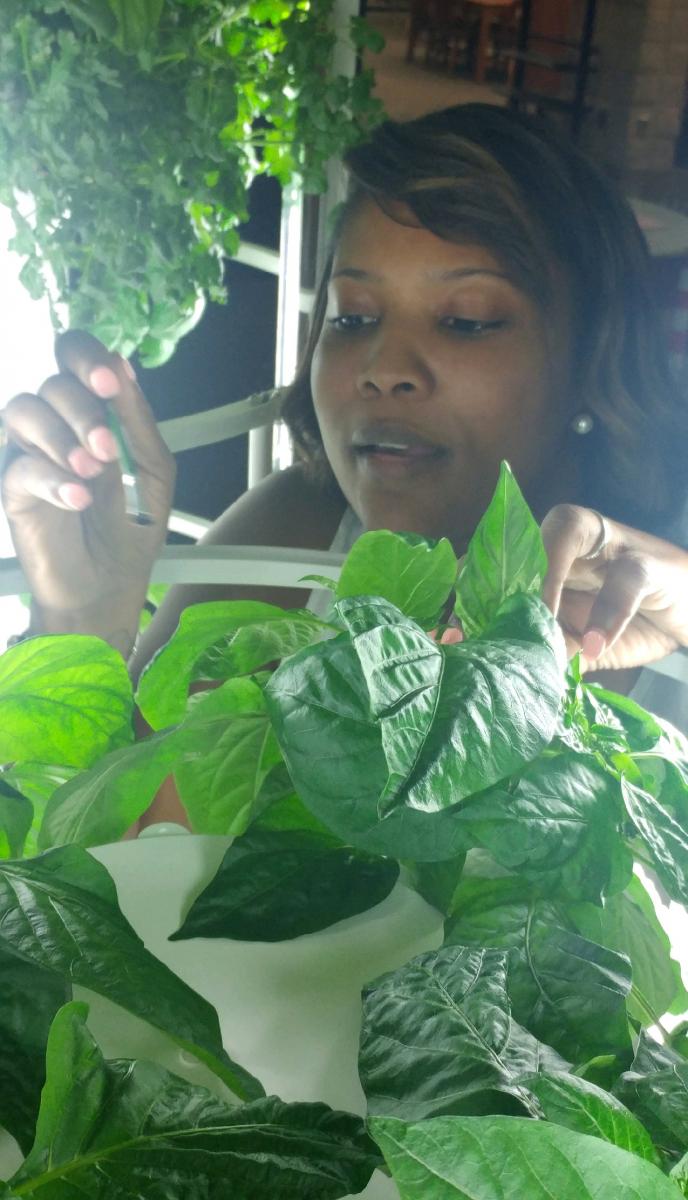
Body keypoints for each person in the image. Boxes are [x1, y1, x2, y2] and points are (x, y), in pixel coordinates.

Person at [3, 103, 688, 825]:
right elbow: (120, 845)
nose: (383, 368)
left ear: (592, 359)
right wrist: (82, 619)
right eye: (353, 318)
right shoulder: (292, 533)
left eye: (467, 320)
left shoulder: (667, 595)